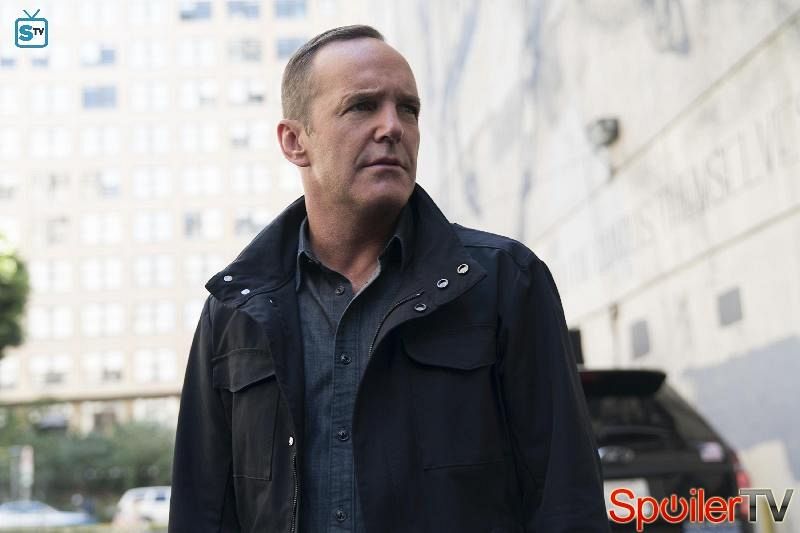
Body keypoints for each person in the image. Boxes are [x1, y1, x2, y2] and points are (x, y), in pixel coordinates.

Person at [169, 25, 610, 533]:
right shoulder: (233, 313)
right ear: (295, 141)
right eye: (361, 106)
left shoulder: (506, 282)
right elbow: (202, 512)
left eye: (408, 109)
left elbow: (566, 501)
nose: (392, 127)